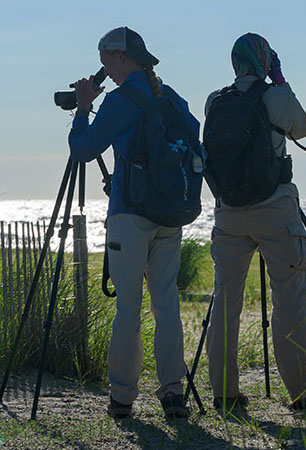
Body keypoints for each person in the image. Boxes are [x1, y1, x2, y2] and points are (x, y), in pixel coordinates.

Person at [68, 26, 201, 419]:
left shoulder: (122, 100)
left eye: (106, 59)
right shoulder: (171, 97)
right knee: (167, 305)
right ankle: (173, 392)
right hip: (170, 212)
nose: (103, 67)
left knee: (128, 306)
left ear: (122, 57)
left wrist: (81, 109)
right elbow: (195, 139)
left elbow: (84, 149)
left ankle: (122, 397)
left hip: (130, 212)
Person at [203, 32, 306, 411]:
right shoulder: (276, 96)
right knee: (289, 299)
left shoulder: (215, 100)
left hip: (227, 212)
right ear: (264, 60)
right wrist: (280, 80)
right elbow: (304, 128)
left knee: (225, 300)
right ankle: (301, 390)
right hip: (274, 209)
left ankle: (224, 394)